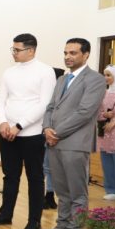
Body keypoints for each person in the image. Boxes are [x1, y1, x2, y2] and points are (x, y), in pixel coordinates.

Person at [38, 38, 106, 229]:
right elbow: (50, 107)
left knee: (77, 192)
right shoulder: (62, 79)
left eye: (73, 53)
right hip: (55, 142)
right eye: (66, 53)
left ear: (86, 55)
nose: (68, 57)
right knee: (61, 190)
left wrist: (56, 132)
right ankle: (62, 226)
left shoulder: (95, 79)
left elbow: (85, 112)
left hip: (75, 143)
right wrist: (46, 128)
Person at [0, 34, 56, 229]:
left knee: (35, 177)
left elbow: (45, 104)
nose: (14, 53)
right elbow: (0, 100)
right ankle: (5, 214)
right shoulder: (9, 72)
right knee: (10, 176)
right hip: (7, 133)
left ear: (31, 50)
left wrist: (19, 126)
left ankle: (34, 220)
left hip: (32, 134)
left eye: (17, 50)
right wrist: (3, 122)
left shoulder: (45, 72)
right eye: (13, 49)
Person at [96, 65, 115, 200]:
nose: (106, 78)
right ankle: (112, 190)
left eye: (109, 75)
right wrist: (105, 115)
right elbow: (98, 112)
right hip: (106, 133)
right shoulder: (104, 93)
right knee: (107, 161)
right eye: (104, 75)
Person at [43, 67, 66, 210]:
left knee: (51, 167)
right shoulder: (44, 92)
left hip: (56, 134)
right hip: (42, 132)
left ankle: (50, 194)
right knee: (44, 167)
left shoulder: (63, 93)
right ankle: (43, 195)